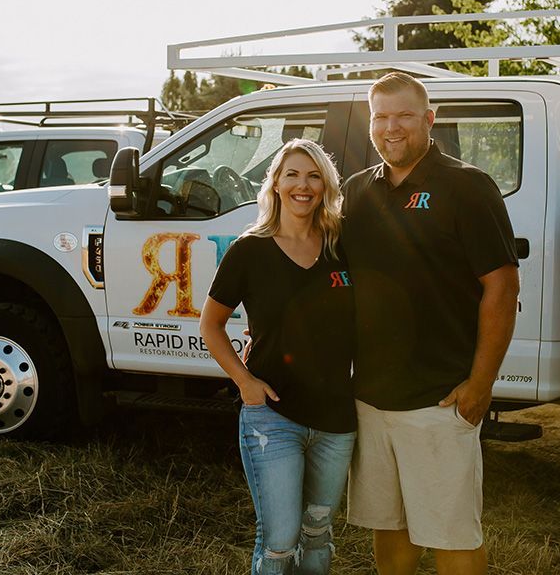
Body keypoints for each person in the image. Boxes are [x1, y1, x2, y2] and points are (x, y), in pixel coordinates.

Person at [341, 72, 520, 575]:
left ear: (429, 119)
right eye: (380, 117)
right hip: (372, 398)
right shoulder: (357, 191)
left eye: (403, 116)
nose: (390, 127)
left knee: (452, 534)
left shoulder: (467, 186)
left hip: (440, 399)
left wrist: (480, 385)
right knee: (390, 527)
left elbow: (502, 288)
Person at [200, 139, 356, 575]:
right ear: (275, 183)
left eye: (313, 176)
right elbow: (210, 325)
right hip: (272, 416)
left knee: (318, 533)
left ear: (325, 186)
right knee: (280, 542)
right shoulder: (249, 250)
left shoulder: (342, 247)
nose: (302, 185)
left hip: (336, 420)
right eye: (292, 175)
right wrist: (244, 381)